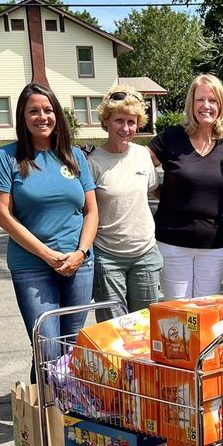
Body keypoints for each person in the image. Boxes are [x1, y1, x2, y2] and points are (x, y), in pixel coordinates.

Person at [0, 83, 97, 379]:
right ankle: (41, 421)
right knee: (47, 348)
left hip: (79, 264)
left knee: (71, 348)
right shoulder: (6, 157)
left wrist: (81, 252)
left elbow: (91, 211)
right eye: (33, 111)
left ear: (57, 114)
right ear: (22, 117)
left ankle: (64, 418)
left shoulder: (74, 156)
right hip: (32, 266)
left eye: (48, 110)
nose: (42, 117)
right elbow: (4, 216)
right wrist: (48, 254)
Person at [147, 74, 223, 299]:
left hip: (213, 245)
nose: (206, 106)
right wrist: (157, 189)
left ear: (220, 105)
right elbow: (138, 164)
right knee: (177, 316)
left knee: (206, 313)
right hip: (172, 243)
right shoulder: (171, 137)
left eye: (212, 100)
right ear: (191, 103)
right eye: (200, 100)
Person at [87, 89, 162, 321]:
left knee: (146, 325)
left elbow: (155, 191)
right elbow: (85, 210)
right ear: (106, 122)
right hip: (108, 257)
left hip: (145, 254)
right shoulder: (92, 161)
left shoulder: (142, 155)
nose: (126, 128)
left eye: (132, 122)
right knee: (114, 327)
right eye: (119, 120)